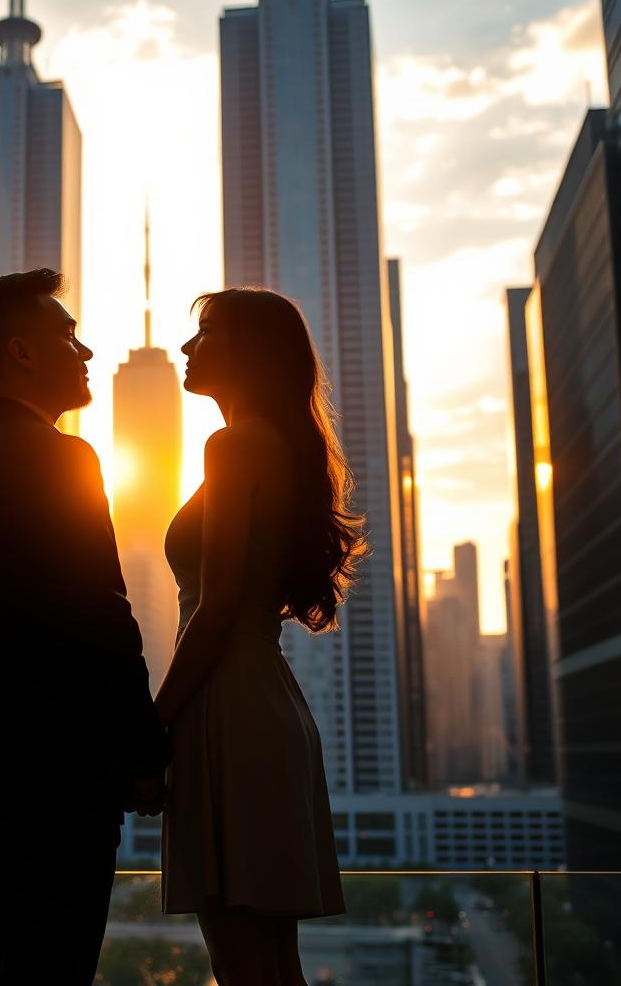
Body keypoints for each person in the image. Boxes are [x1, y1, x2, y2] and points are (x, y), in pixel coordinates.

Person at [0, 268, 170, 985]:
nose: (84, 354)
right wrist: (144, 757)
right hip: (57, 786)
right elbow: (103, 619)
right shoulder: (64, 460)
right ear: (21, 353)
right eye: (68, 336)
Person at [156, 287, 367, 986]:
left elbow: (213, 611)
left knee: (244, 962)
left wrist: (152, 730)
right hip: (265, 706)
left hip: (228, 710)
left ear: (252, 352)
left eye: (207, 332)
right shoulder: (276, 447)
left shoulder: (234, 446)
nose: (188, 346)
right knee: (273, 964)